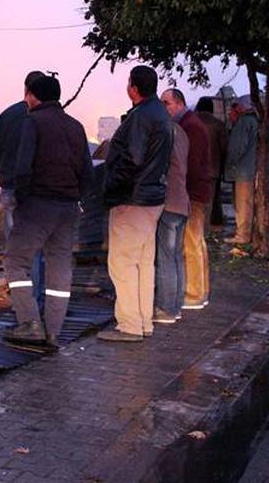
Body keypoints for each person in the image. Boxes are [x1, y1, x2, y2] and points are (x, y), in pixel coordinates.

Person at [2, 75, 93, 348]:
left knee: (15, 261)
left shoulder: (33, 122)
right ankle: (53, 330)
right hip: (67, 208)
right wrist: (77, 198)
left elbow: (23, 168)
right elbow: (87, 172)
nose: (25, 100)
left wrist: (22, 201)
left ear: (32, 96)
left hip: (38, 206)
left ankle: (29, 323)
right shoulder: (75, 126)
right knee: (60, 268)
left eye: (27, 95)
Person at [97, 66, 172, 342]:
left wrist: (112, 188)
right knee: (142, 263)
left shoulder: (141, 117)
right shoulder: (160, 114)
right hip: (151, 198)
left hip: (133, 200)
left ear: (134, 88)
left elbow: (132, 160)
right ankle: (142, 322)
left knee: (123, 263)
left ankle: (129, 325)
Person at [160, 89, 213, 310]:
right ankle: (198, 291)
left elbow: (189, 165)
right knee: (195, 242)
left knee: (191, 243)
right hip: (195, 191)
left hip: (192, 192)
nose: (164, 107)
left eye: (167, 103)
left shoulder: (190, 127)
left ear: (179, 103)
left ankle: (194, 293)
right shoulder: (190, 124)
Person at [0, 70, 46, 237]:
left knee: (14, 241)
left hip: (10, 186)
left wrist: (3, 174)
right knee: (37, 240)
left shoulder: (7, 115)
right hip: (37, 189)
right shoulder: (44, 117)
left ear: (25, 89)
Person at [153, 123, 189, 324]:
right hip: (182, 202)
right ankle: (176, 305)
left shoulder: (165, 132)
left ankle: (166, 308)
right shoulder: (181, 132)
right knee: (176, 257)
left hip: (169, 202)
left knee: (166, 258)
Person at [224, 96, 259, 244]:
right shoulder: (254, 121)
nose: (233, 110)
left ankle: (243, 235)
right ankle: (245, 232)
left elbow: (236, 148)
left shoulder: (244, 122)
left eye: (236, 106)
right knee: (246, 203)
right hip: (248, 168)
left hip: (243, 170)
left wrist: (228, 161)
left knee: (243, 203)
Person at [195, 97, 229, 233]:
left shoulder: (190, 123)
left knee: (193, 203)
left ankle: (193, 232)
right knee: (207, 203)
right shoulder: (218, 125)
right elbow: (225, 148)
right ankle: (204, 232)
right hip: (212, 170)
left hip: (191, 169)